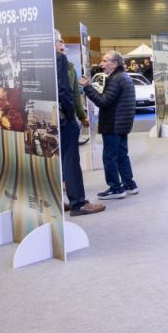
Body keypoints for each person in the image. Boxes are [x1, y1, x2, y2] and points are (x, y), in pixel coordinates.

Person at [80, 50, 139, 199]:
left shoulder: (116, 79)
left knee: (110, 157)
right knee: (121, 155)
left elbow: (104, 101)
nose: (101, 64)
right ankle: (129, 185)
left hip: (113, 124)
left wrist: (88, 87)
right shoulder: (123, 77)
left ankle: (116, 188)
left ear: (114, 64)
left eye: (105, 61)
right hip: (121, 124)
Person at [56, 38, 104, 216]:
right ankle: (78, 203)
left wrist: (81, 115)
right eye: (59, 41)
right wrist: (71, 115)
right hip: (62, 118)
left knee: (55, 161)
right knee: (70, 162)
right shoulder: (59, 60)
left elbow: (75, 94)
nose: (63, 44)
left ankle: (56, 201)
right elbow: (66, 92)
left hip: (47, 117)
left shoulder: (61, 64)